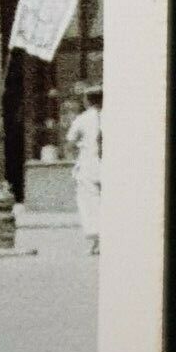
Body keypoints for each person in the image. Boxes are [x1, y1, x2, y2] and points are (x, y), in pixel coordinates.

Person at [66, 85, 103, 254]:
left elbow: (70, 142)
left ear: (88, 101)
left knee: (89, 201)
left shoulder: (82, 119)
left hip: (90, 164)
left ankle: (97, 240)